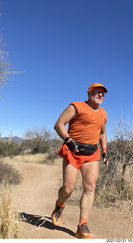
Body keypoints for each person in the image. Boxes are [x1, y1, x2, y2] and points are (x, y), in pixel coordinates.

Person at [52, 83, 108, 239]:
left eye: (103, 93)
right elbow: (59, 125)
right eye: (97, 92)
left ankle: (82, 226)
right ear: (89, 93)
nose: (101, 95)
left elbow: (102, 134)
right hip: (73, 151)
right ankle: (59, 205)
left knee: (90, 187)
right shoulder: (76, 106)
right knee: (68, 189)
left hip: (91, 153)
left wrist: (104, 151)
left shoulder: (103, 114)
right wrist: (69, 140)